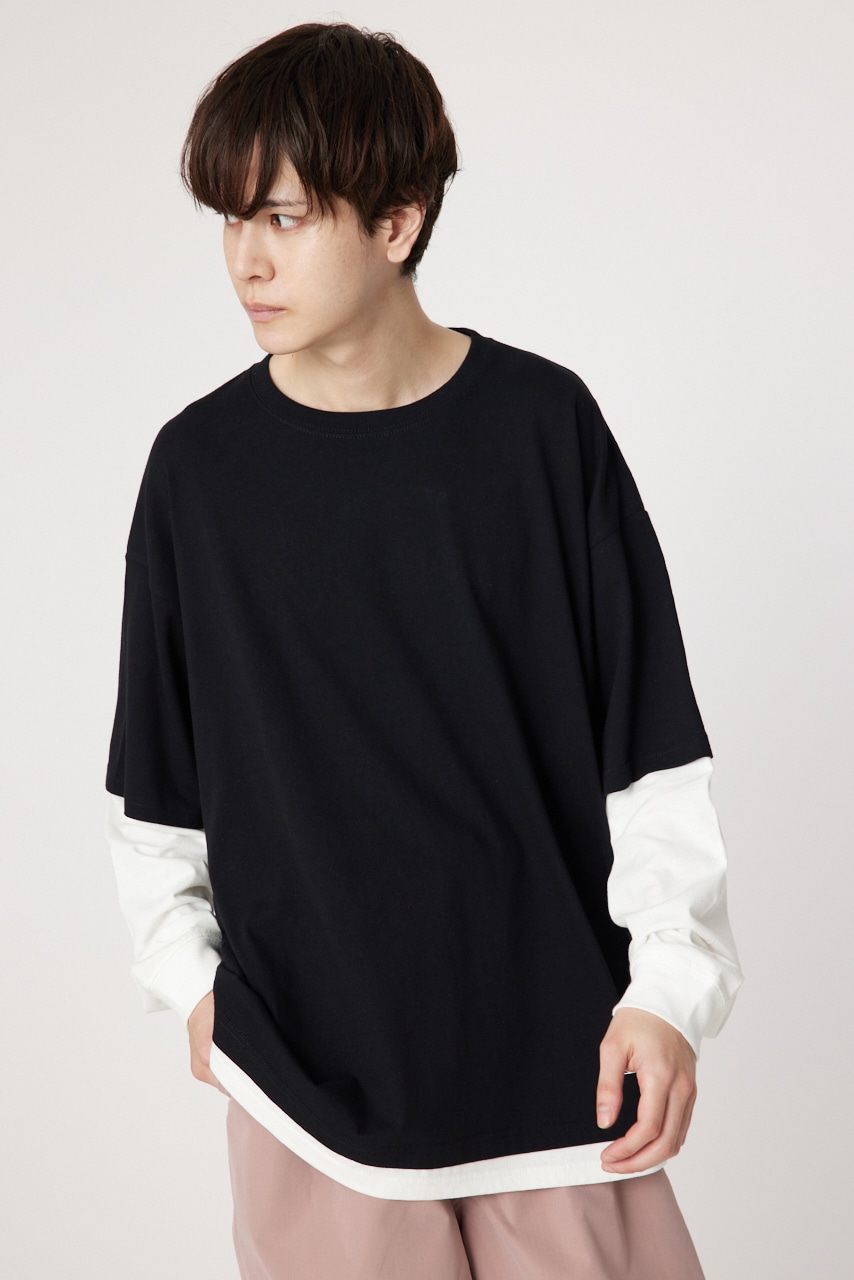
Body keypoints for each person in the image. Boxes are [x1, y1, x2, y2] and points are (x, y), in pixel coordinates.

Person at [104, 20, 744, 1280]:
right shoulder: (199, 471)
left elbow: (649, 743)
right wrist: (193, 985)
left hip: (557, 1068)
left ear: (396, 223)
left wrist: (666, 991)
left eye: (282, 217)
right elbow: (157, 784)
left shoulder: (541, 429)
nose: (245, 259)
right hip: (307, 1086)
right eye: (229, 220)